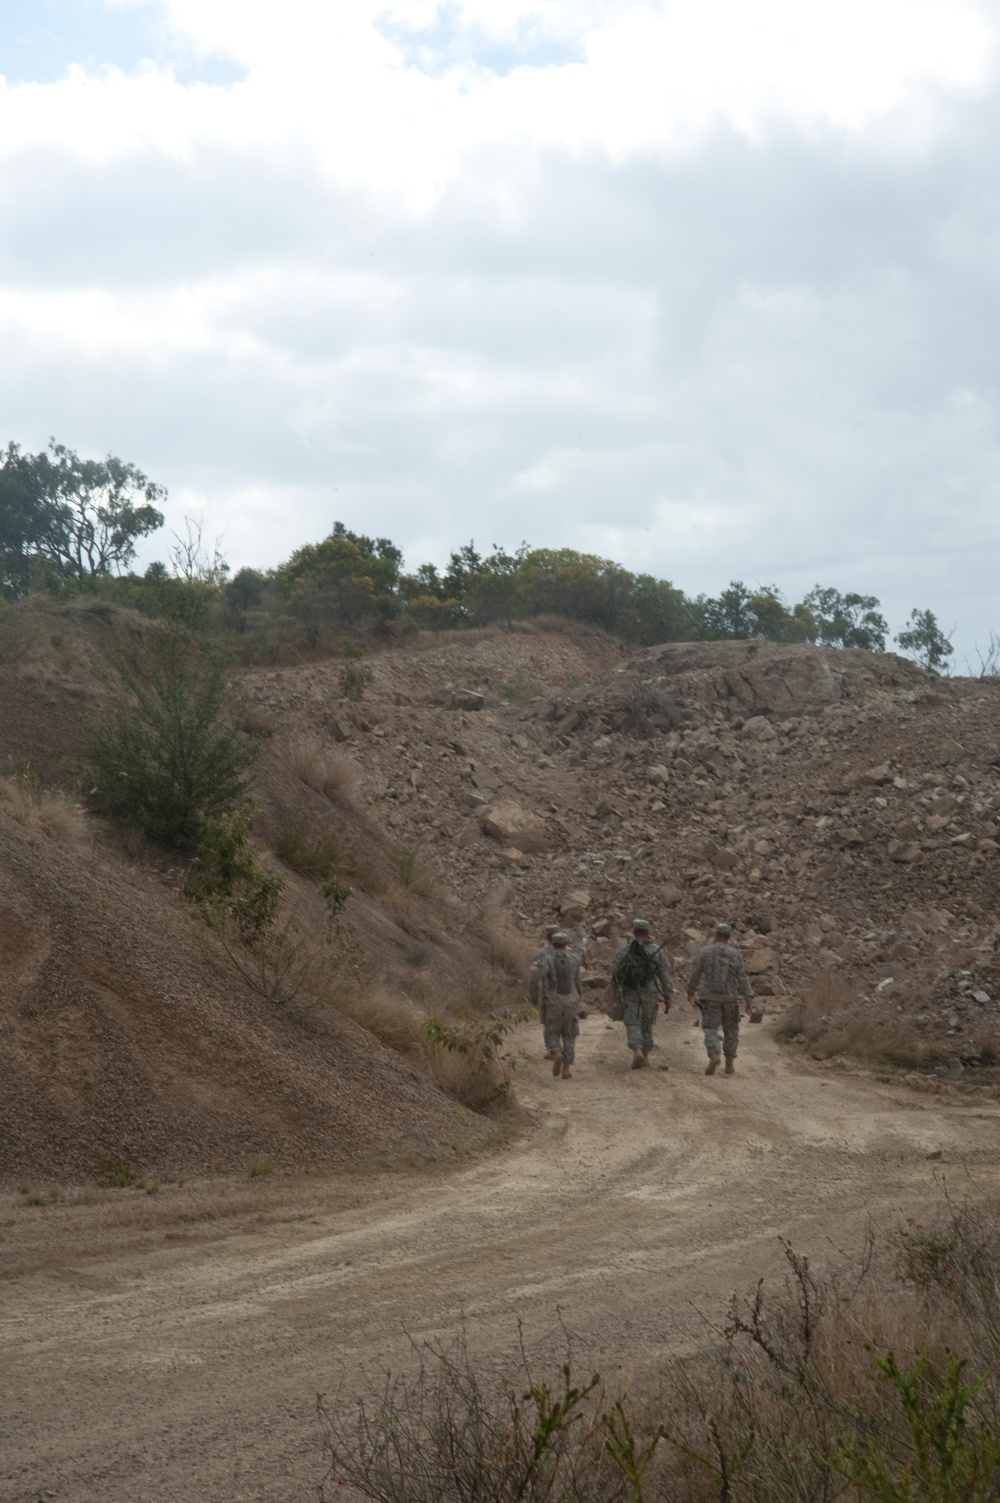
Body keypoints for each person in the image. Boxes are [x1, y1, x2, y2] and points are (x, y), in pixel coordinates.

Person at [687, 922, 754, 1075]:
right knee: (731, 1029)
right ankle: (729, 1063)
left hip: (709, 999)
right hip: (730, 999)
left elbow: (695, 974)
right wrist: (749, 1000)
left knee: (710, 1028)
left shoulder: (705, 952)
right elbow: (742, 980)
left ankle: (715, 1054)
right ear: (729, 937)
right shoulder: (735, 954)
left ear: (716, 935)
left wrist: (690, 992)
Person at [610, 919, 672, 1070]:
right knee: (647, 1023)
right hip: (650, 993)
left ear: (634, 931)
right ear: (647, 932)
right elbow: (664, 976)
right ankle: (645, 1057)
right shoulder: (656, 950)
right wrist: (668, 995)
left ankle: (636, 1050)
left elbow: (613, 972)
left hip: (631, 992)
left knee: (633, 1022)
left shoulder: (624, 950)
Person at [539, 931, 582, 1079]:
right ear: (566, 943)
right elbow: (578, 982)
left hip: (554, 1002)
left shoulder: (547, 959)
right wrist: (579, 1000)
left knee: (553, 1030)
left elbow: (544, 982)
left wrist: (544, 1001)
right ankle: (566, 1070)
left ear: (553, 943)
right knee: (569, 1035)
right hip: (571, 1002)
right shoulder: (574, 958)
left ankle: (556, 1052)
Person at [529, 925, 561, 1057]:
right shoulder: (569, 952)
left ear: (547, 937)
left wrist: (534, 997)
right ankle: (563, 1048)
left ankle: (554, 1049)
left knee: (549, 1022)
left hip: (549, 995)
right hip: (568, 995)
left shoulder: (541, 953)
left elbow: (534, 978)